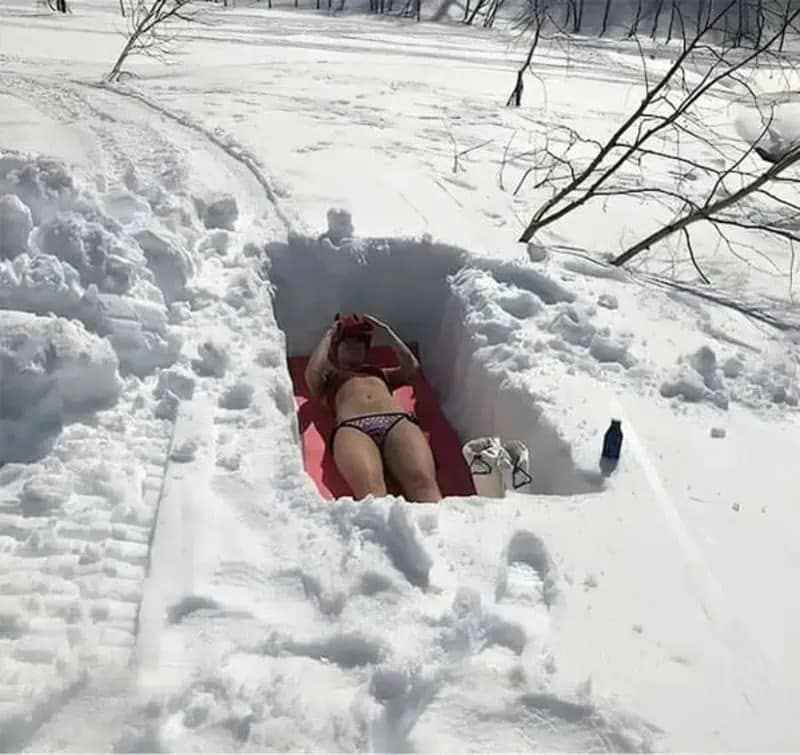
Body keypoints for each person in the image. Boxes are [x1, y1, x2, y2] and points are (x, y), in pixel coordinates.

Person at [304, 313, 443, 503]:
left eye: (360, 344)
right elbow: (312, 374)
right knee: (371, 494)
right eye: (348, 343)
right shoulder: (330, 378)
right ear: (336, 348)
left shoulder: (379, 373)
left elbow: (411, 367)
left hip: (396, 421)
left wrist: (386, 332)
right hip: (353, 428)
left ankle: (437, 531)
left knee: (423, 485)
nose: (355, 348)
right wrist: (330, 334)